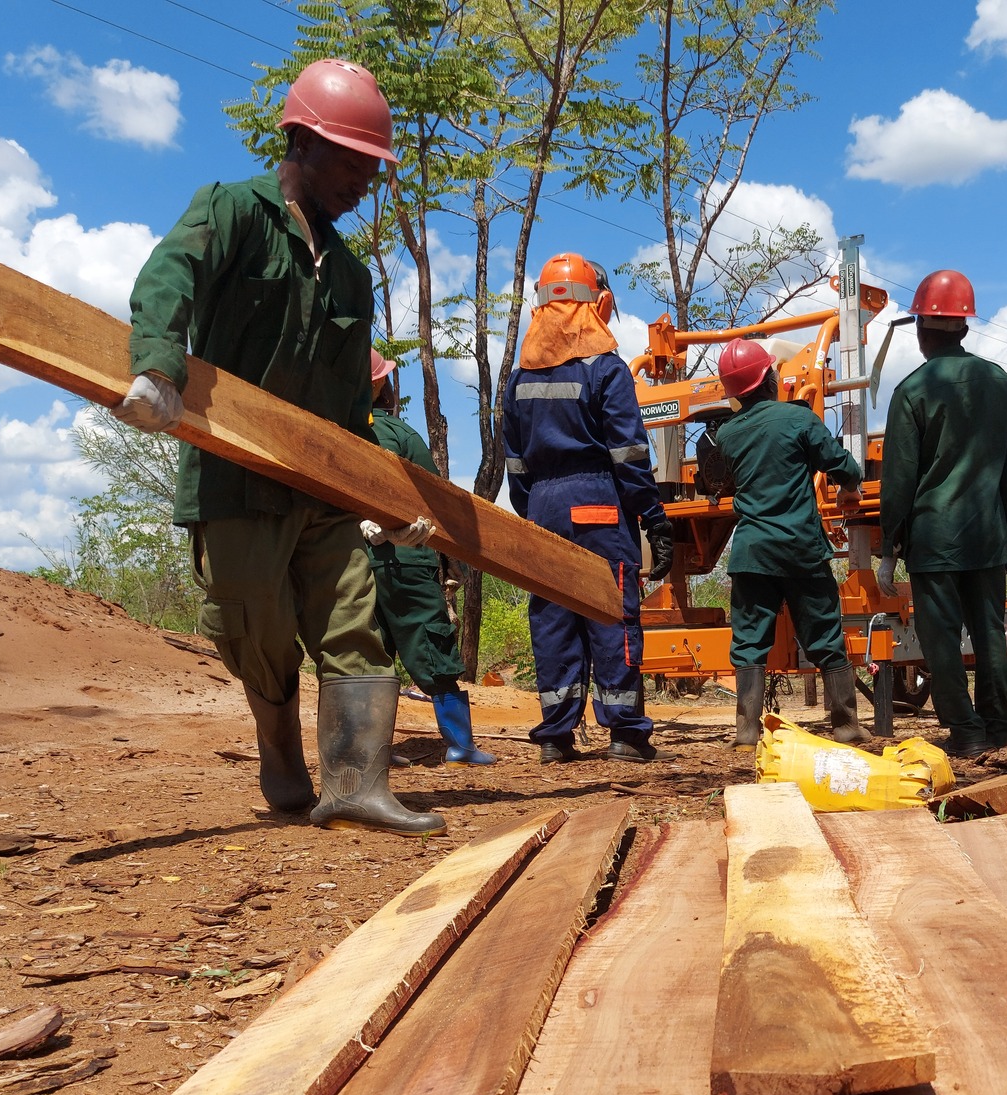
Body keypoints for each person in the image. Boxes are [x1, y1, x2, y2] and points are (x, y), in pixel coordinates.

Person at [113, 58, 442, 836]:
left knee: (352, 620)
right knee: (254, 628)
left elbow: (351, 408)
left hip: (324, 487)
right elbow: (170, 276)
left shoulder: (353, 276)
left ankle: (357, 785)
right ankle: (278, 744)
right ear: (298, 140)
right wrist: (159, 368)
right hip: (235, 478)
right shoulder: (231, 212)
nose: (365, 180)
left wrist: (382, 500)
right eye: (352, 159)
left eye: (374, 165)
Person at [502, 252, 674, 763]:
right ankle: (625, 734)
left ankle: (555, 737)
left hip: (543, 506)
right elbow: (629, 455)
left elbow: (516, 468)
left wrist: (536, 512)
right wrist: (654, 519)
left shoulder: (519, 381)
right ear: (598, 303)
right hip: (598, 502)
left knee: (553, 617)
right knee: (613, 615)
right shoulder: (607, 369)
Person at [877, 270, 1007, 758]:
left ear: (921, 329)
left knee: (941, 643)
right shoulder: (1001, 382)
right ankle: (998, 725)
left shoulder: (912, 390)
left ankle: (965, 731)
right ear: (964, 325)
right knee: (989, 634)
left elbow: (899, 479)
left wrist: (888, 548)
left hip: (934, 538)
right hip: (986, 533)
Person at [710, 338, 868, 748]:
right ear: (770, 378)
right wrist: (848, 485)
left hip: (753, 552)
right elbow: (843, 465)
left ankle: (746, 731)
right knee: (825, 636)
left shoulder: (727, 435)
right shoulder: (799, 421)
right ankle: (846, 725)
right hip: (800, 548)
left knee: (748, 642)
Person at [359, 352, 495, 766]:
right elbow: (436, 500)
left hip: (353, 559)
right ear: (380, 385)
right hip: (406, 559)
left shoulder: (332, 430)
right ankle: (460, 744)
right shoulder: (400, 434)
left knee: (366, 652)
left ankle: (368, 751)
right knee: (431, 645)